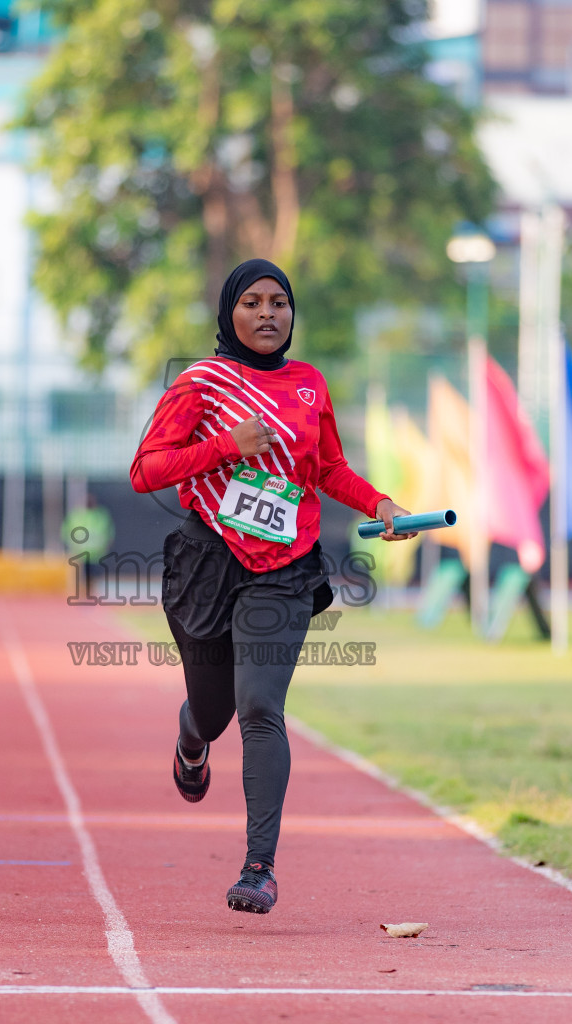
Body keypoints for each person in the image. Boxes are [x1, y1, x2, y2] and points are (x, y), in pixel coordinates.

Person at [131, 259, 415, 913]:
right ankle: (191, 736)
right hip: (207, 561)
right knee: (215, 711)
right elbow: (145, 470)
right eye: (253, 302)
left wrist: (380, 505)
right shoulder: (202, 382)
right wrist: (225, 446)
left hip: (285, 570)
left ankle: (259, 868)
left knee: (260, 706)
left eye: (279, 302)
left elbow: (331, 468)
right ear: (229, 312)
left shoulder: (309, 385)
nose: (268, 313)